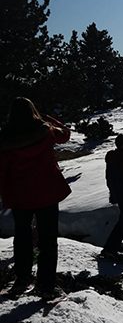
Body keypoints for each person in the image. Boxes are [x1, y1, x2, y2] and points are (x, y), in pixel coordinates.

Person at [0, 97, 71, 298]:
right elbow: (65, 135)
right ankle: (46, 285)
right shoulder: (45, 130)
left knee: (22, 237)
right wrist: (51, 120)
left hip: (20, 195)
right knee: (48, 240)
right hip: (47, 192)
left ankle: (22, 280)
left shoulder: (5, 138)